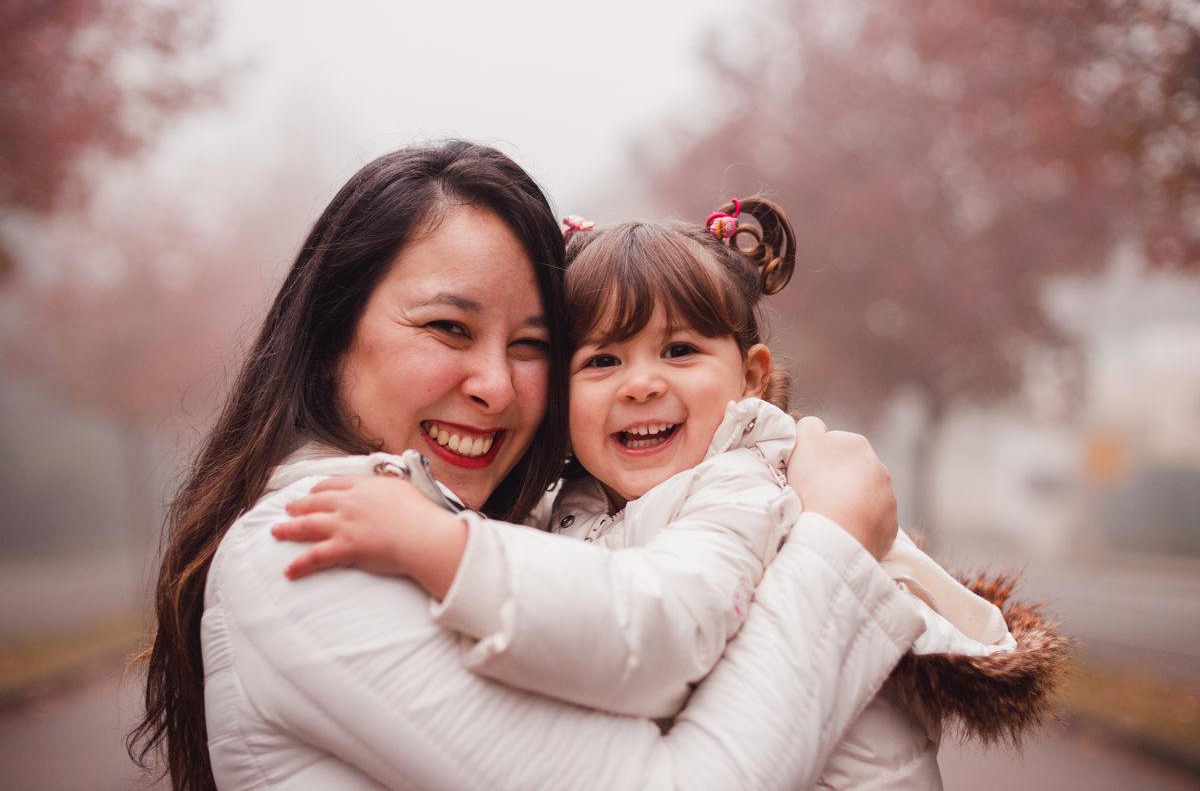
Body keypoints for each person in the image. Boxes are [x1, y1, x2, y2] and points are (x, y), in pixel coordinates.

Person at [130, 140, 924, 791]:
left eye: (533, 345)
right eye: (447, 327)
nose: (498, 386)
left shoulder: (499, 521)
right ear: (332, 335)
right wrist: (835, 545)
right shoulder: (311, 543)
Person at [275, 199, 1070, 789]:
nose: (643, 383)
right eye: (602, 361)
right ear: (558, 394)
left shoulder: (742, 490)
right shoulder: (574, 510)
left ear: (751, 378)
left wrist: (439, 548)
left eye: (681, 349)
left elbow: (660, 625)